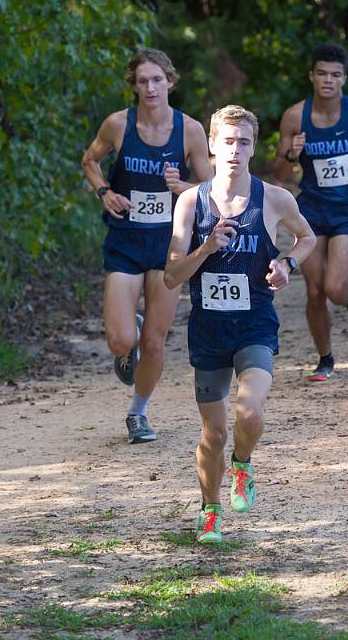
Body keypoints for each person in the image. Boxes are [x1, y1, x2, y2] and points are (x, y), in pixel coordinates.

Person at [165, 105, 316, 544]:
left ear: (254, 147)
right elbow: (171, 275)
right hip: (208, 330)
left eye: (244, 142)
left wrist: (287, 263)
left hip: (254, 323)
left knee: (249, 410)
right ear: (211, 145)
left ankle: (243, 465)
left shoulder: (274, 198)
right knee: (212, 431)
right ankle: (210, 510)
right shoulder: (190, 202)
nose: (235, 150)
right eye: (227, 141)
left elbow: (306, 238)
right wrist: (206, 248)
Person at [81, 48, 212, 443]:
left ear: (170, 81)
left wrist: (182, 188)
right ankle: (129, 340)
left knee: (156, 341)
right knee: (121, 340)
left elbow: (211, 189)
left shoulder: (189, 130)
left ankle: (137, 413)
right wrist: (104, 191)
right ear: (134, 85)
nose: (150, 87)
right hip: (125, 239)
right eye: (142, 81)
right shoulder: (118, 125)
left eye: (157, 80)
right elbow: (90, 161)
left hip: (169, 243)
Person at [273, 43, 348, 381]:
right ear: (312, 76)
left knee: (335, 288)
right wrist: (292, 156)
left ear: (344, 79)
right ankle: (325, 359)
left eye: (335, 75)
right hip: (310, 209)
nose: (328, 80)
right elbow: (280, 176)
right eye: (322, 73)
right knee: (313, 290)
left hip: (346, 211)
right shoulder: (295, 116)